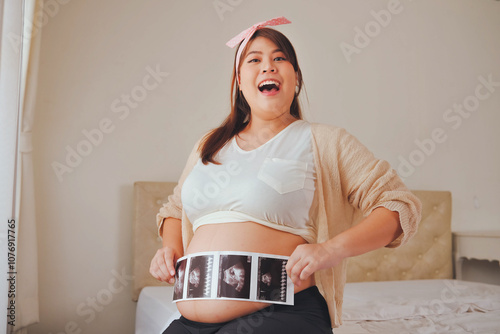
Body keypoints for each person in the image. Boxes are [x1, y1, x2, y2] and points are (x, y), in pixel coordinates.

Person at [150, 16, 422, 334]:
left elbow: (399, 204)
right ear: (239, 80)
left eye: (280, 58)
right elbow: (175, 209)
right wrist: (170, 249)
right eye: (255, 60)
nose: (269, 67)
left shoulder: (324, 141)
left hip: (279, 314)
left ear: (296, 78)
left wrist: (329, 249)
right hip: (190, 323)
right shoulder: (208, 145)